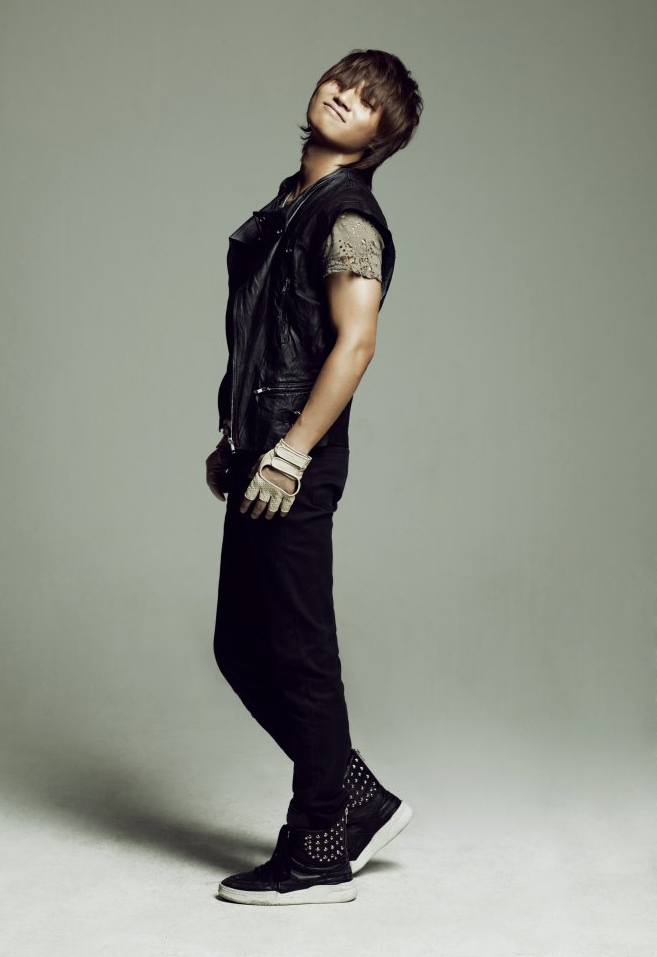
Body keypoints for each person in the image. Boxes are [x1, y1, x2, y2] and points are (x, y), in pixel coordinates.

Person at [205, 48, 423, 905]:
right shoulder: (290, 204)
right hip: (261, 450)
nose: (343, 96)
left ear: (378, 139)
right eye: (341, 80)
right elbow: (265, 336)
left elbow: (355, 344)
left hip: (294, 460)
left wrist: (292, 451)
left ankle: (321, 847)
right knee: (239, 647)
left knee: (299, 653)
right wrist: (236, 436)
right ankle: (357, 798)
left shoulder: (348, 218)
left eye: (366, 100)